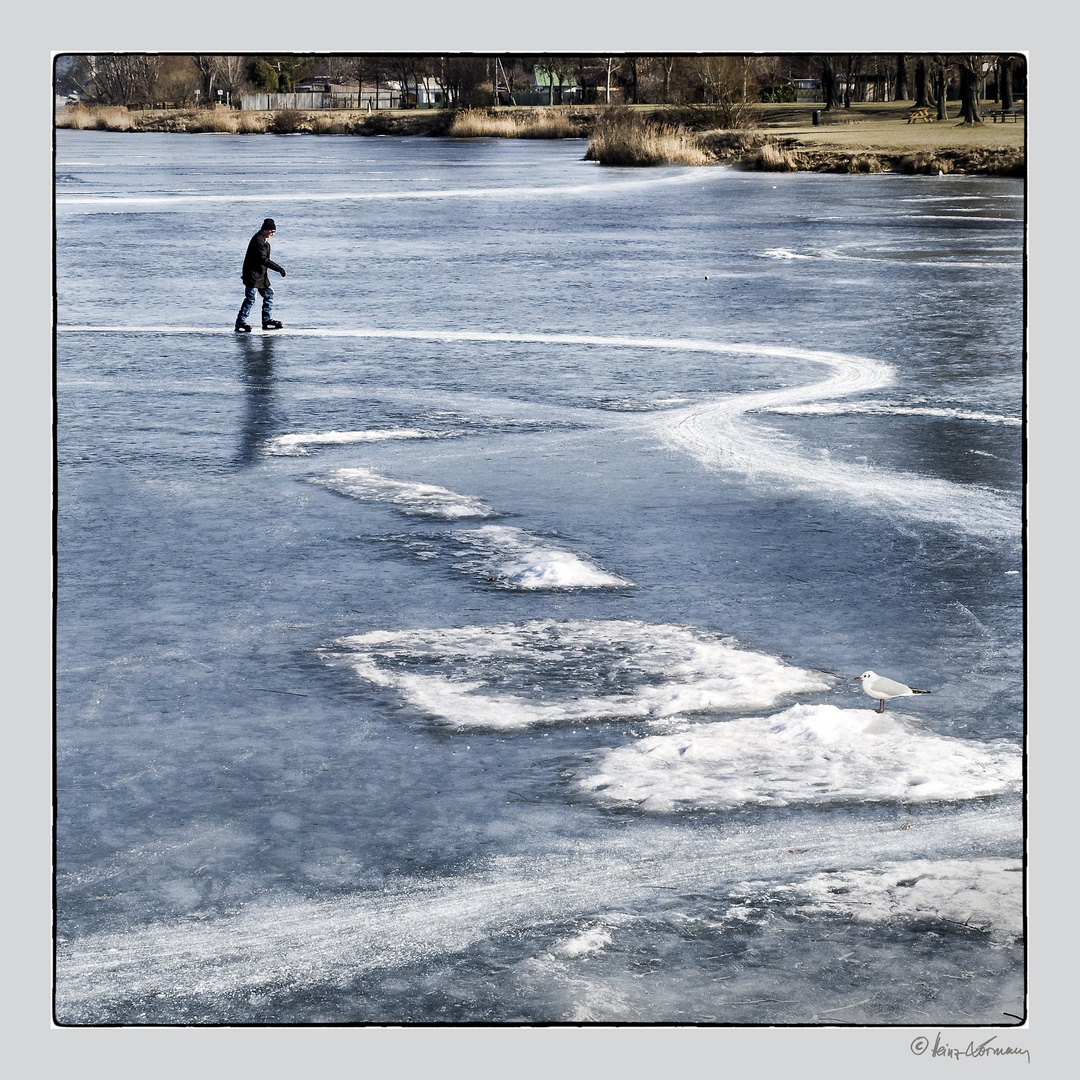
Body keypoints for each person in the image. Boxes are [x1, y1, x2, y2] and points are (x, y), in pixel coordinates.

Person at [235, 218, 286, 332]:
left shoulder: (264, 241)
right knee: (251, 298)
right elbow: (263, 259)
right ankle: (240, 322)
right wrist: (279, 268)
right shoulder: (257, 240)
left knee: (269, 294)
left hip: (262, 276)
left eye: (274, 232)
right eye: (271, 231)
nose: (273, 234)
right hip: (252, 276)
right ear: (265, 230)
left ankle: (266, 320)